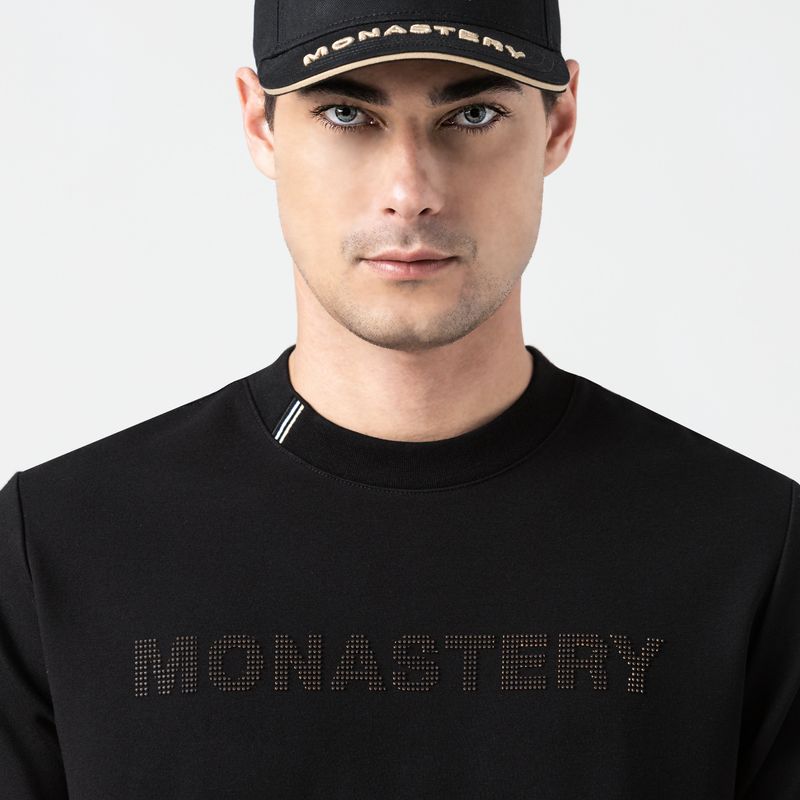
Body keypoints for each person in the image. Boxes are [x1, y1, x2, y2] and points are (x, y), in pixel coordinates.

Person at [1, 0, 797, 797]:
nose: (409, 191)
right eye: (347, 114)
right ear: (259, 124)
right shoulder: (57, 552)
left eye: (472, 114)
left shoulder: (750, 552)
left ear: (559, 123)